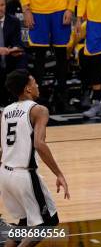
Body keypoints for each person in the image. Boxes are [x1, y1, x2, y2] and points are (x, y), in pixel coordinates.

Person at [0, 69, 69, 245]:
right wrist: (59, 174)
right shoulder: (38, 110)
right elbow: (39, 144)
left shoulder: (6, 111)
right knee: (47, 223)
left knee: (23, 224)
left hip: (5, 174)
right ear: (28, 89)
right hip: (25, 176)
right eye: (34, 82)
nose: (37, 85)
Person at [0, 0, 26, 104]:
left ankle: (19, 102)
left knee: (22, 57)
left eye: (2, 5)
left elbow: (18, 43)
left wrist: (13, 50)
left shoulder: (13, 21)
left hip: (9, 58)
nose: (0, 8)